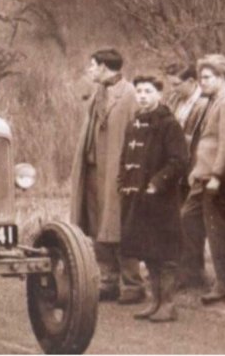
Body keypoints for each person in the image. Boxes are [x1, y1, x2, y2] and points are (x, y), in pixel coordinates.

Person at [70, 48, 144, 303]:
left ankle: (133, 284)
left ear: (103, 67)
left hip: (115, 172)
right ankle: (108, 280)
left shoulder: (129, 95)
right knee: (97, 226)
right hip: (93, 171)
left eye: (92, 66)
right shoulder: (97, 92)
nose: (89, 71)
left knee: (119, 225)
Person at [118, 75, 188, 322]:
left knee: (165, 251)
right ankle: (154, 301)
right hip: (136, 198)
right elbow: (125, 158)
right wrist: (122, 183)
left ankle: (168, 304)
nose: (143, 96)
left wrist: (157, 183)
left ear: (160, 93)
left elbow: (179, 161)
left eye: (148, 91)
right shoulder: (134, 123)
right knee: (147, 250)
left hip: (161, 200)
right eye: (139, 91)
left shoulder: (169, 124)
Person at [187, 54, 225, 304]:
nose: (202, 82)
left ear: (222, 78)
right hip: (202, 176)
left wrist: (217, 176)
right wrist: (196, 170)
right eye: (200, 77)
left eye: (208, 77)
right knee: (187, 218)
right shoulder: (212, 102)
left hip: (217, 180)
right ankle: (196, 273)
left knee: (219, 232)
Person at [163, 62, 211, 289]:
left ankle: (192, 273)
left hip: (193, 169)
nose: (173, 89)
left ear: (192, 82)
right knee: (175, 219)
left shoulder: (204, 104)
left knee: (191, 222)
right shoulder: (174, 100)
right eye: (170, 84)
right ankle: (179, 269)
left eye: (177, 84)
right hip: (175, 169)